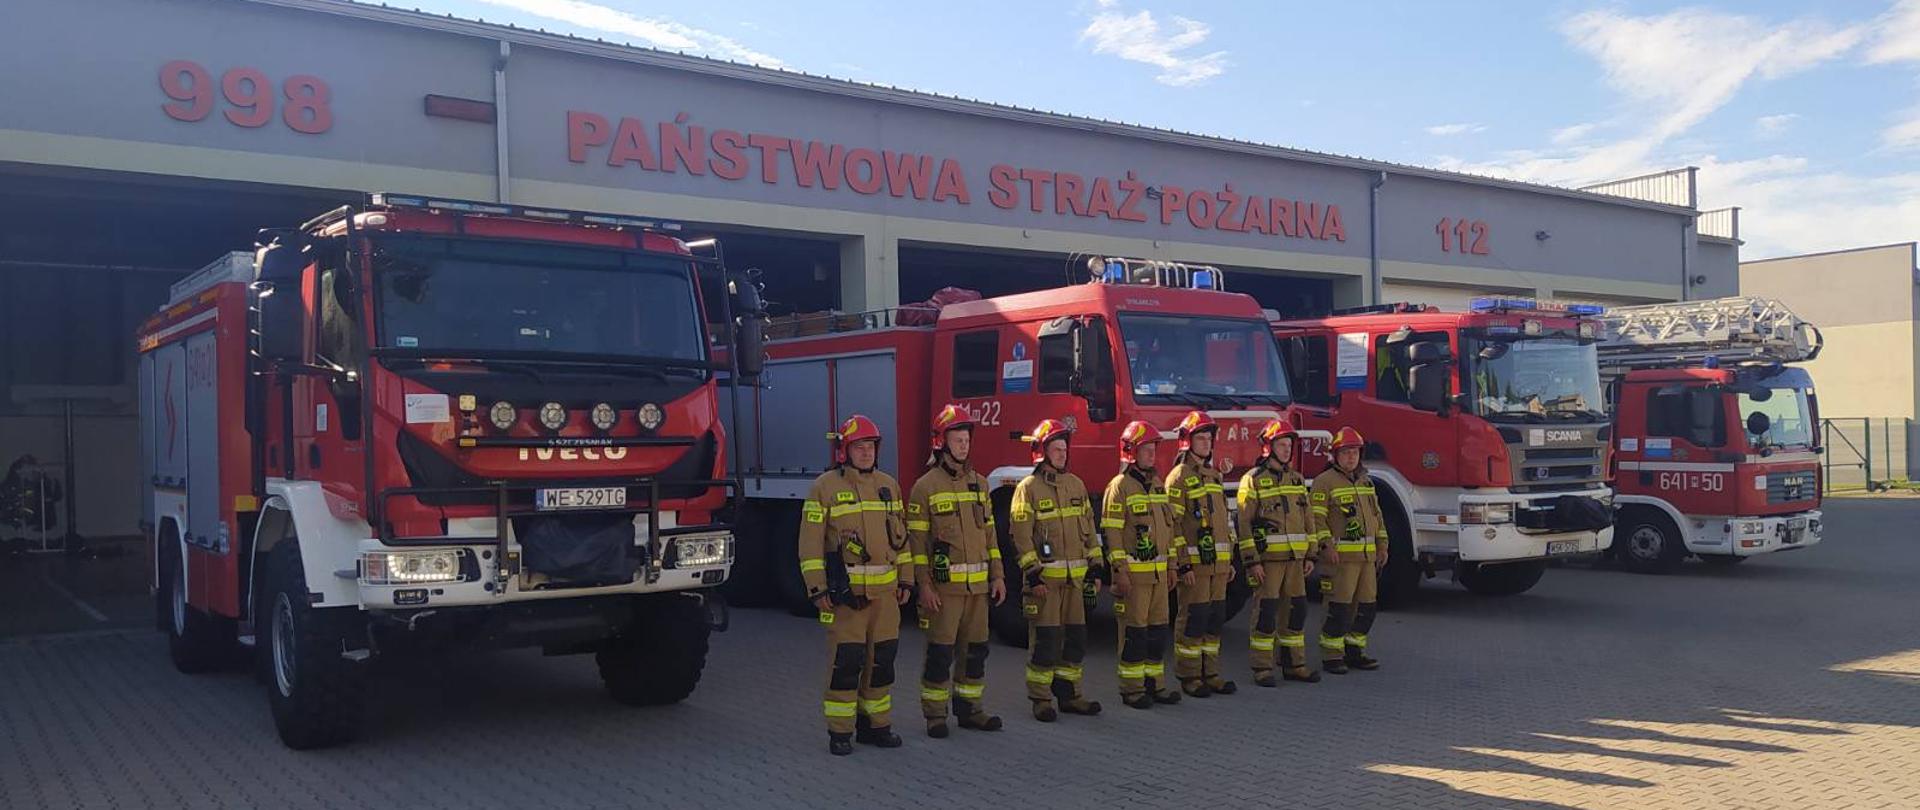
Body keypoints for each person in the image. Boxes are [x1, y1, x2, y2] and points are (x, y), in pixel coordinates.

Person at [798, 415, 914, 756]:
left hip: (886, 597)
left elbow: (901, 539)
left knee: (882, 663)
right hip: (847, 598)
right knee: (846, 665)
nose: (866, 453)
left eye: (871, 447)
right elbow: (809, 544)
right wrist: (817, 589)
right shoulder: (824, 488)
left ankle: (876, 726)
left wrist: (906, 579)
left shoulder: (888, 485)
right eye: (859, 447)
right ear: (844, 451)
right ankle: (840, 732)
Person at [907, 405, 1005, 738]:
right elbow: (917, 544)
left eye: (966, 440)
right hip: (944, 592)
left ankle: (971, 710)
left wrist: (999, 575)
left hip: (978, 590)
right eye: (957, 439)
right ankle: (935, 716)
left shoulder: (980, 484)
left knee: (976, 652)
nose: (963, 446)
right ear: (942, 442)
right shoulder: (925, 487)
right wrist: (924, 586)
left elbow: (990, 536)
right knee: (940, 653)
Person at [1009, 418, 1103, 722]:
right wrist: (1033, 574)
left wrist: (1096, 567)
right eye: (1056, 449)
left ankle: (1070, 695)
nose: (1062, 454)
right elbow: (1020, 536)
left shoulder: (1075, 485)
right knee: (1046, 642)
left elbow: (1089, 530)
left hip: (1074, 584)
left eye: (1064, 449)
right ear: (1042, 451)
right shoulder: (1028, 489)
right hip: (1045, 585)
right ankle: (1041, 699)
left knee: (1075, 640)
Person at [1099, 420, 1184, 709]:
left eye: (1153, 449)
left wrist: (1172, 564)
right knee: (1134, 634)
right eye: (1146, 449)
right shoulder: (1119, 487)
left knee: (1158, 631)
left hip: (1159, 577)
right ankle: (1132, 689)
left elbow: (1169, 529)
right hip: (1134, 579)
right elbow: (1111, 534)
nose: (1151, 455)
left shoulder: (1158, 485)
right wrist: (1119, 572)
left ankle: (1155, 684)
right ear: (1130, 452)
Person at [1235, 419, 1321, 687]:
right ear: (1267, 448)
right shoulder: (1252, 480)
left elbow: (1308, 519)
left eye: (1289, 445)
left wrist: (1311, 554)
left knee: (1296, 611)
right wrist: (1252, 562)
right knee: (1266, 613)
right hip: (1268, 563)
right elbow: (1244, 523)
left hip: (1295, 561)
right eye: (1281, 445)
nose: (1286, 450)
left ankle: (1294, 664)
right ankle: (1262, 668)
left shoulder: (1296, 479)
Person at [1165, 410, 1236, 697]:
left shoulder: (1213, 475)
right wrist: (1183, 564)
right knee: (1192, 619)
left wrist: (1229, 559)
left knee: (1213, 618)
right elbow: (1174, 526)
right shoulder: (1178, 478)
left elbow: (1224, 521)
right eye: (1201, 439)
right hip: (1194, 566)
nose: (1206, 444)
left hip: (1218, 565)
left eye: (1209, 439)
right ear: (1187, 442)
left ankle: (1212, 673)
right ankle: (1189, 675)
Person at [1309, 426, 1388, 675]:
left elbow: (1378, 517)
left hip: (1367, 558)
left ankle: (1355, 651)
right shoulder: (1324, 482)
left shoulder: (1365, 481)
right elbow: (1316, 520)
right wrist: (1326, 547)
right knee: (1338, 608)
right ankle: (1332, 656)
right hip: (1340, 559)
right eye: (1345, 453)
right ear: (1335, 455)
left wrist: (1382, 545)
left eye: (1354, 452)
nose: (1351, 457)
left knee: (1367, 607)